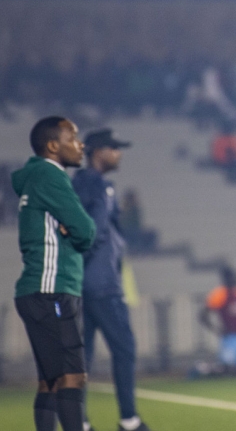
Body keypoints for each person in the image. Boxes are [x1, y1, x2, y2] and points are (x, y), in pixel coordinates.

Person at [12, 116, 96, 431]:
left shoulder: (35, 178)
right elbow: (86, 231)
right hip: (53, 290)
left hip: (36, 291)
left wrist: (70, 229)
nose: (80, 144)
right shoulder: (50, 175)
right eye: (72, 137)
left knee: (50, 380)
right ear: (52, 145)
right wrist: (75, 231)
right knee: (72, 376)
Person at [72, 129, 152, 431]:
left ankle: (78, 422)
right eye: (113, 148)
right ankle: (129, 421)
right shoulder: (98, 188)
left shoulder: (77, 184)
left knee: (84, 357)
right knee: (125, 348)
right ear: (98, 152)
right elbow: (92, 233)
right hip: (101, 284)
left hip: (82, 284)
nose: (118, 153)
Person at [200, 266, 236, 373]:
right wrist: (217, 330)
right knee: (228, 368)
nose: (233, 279)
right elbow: (203, 315)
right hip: (230, 337)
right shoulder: (219, 294)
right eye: (230, 277)